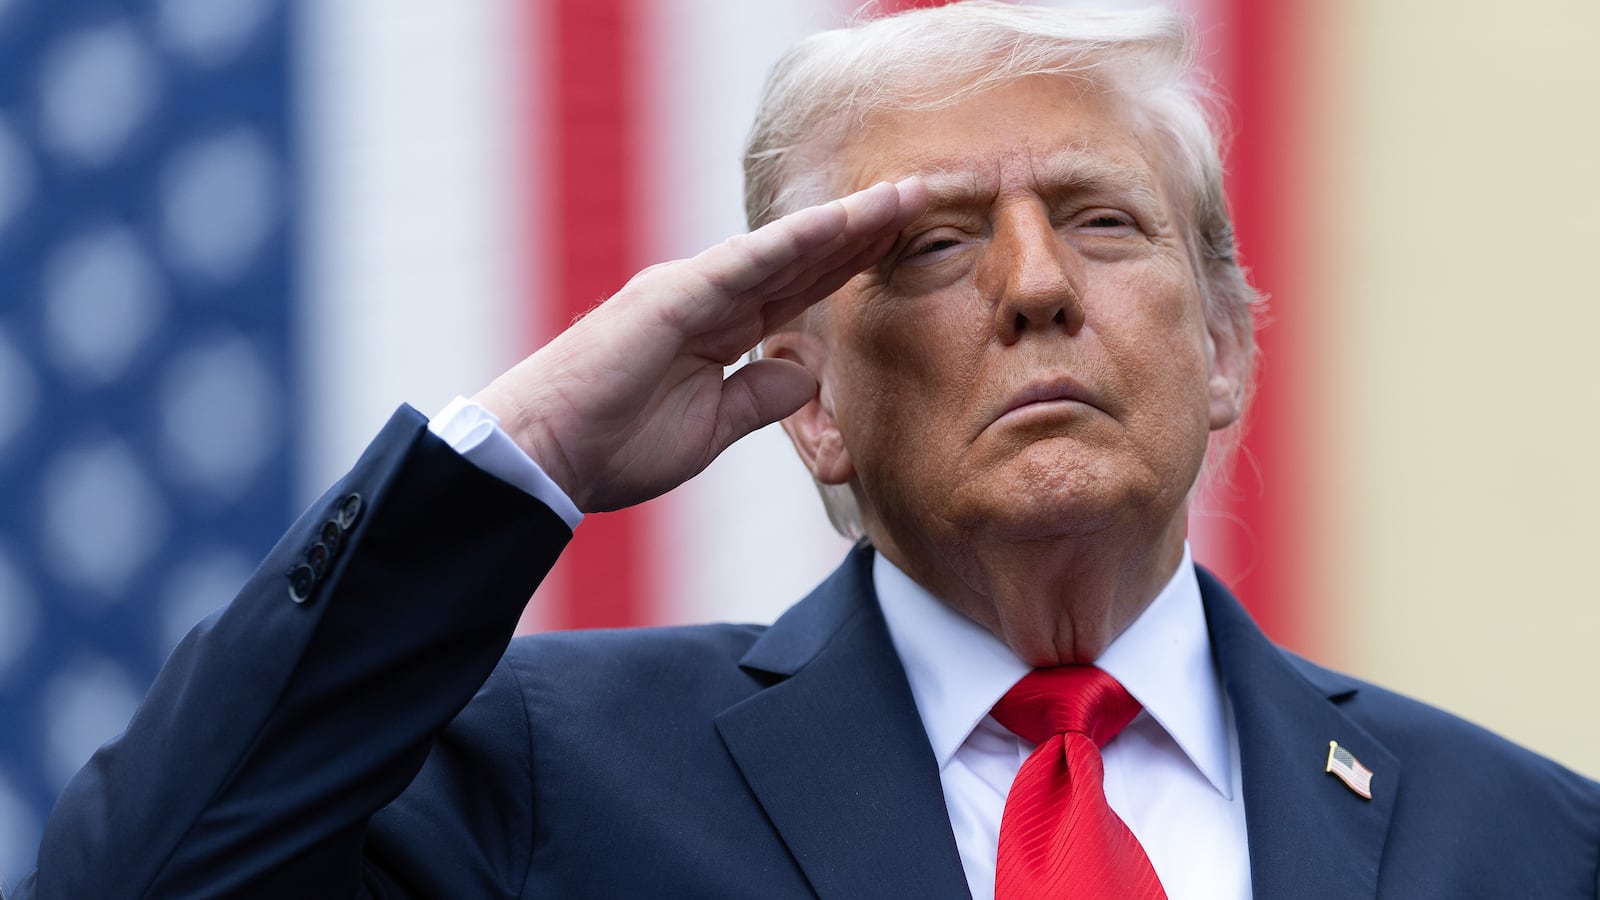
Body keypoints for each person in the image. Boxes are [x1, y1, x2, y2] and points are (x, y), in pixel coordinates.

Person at [15, 2, 1600, 898]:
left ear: (1227, 347)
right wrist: (525, 457)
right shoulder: (546, 783)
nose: (1036, 285)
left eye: (1102, 221)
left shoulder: (1525, 840)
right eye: (930, 248)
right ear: (808, 400)